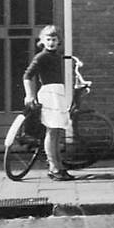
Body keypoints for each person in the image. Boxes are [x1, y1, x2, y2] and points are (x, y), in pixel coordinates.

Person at [23, 25, 73, 181]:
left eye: (54, 39)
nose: (51, 43)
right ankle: (53, 167)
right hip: (49, 95)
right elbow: (27, 76)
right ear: (42, 41)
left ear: (59, 41)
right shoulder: (41, 57)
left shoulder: (56, 56)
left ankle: (59, 166)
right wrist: (30, 94)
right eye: (48, 39)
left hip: (58, 93)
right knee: (51, 132)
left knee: (57, 132)